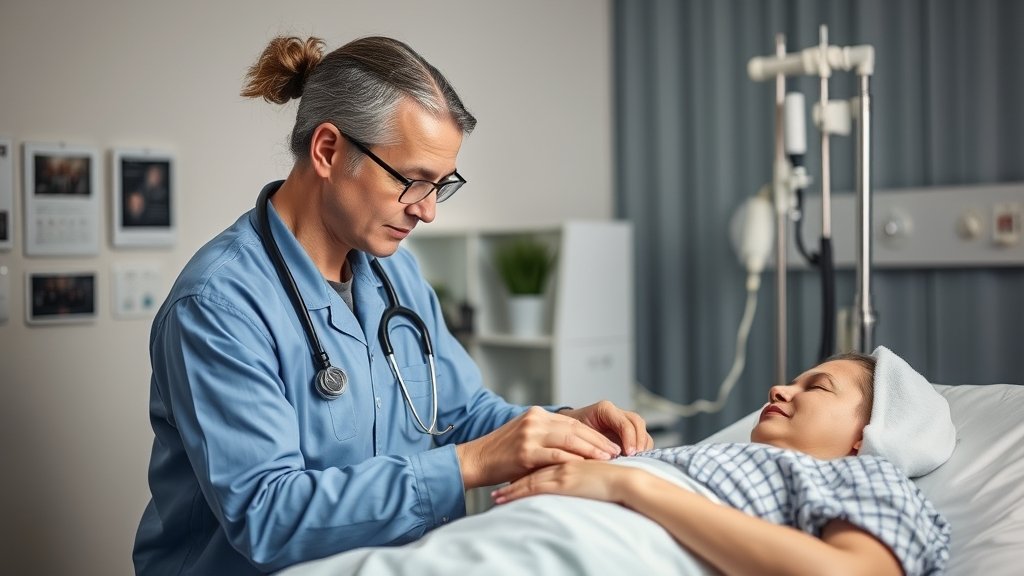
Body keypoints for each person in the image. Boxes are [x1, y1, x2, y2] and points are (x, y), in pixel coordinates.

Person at [133, 35, 651, 575]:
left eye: (440, 185)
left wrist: (561, 428)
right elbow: (267, 515)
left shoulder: (392, 270)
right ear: (328, 150)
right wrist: (468, 465)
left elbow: (462, 414)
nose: (427, 212)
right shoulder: (218, 306)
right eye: (413, 181)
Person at [493, 347, 955, 576]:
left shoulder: (869, 475)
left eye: (816, 387)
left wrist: (629, 486)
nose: (779, 389)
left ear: (869, 433)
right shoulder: (713, 457)